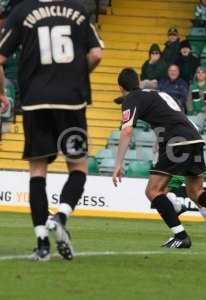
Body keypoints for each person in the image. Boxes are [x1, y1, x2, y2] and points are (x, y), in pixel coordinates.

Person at [0, 0, 103, 261]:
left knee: (37, 171)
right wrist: (78, 76)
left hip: (35, 101)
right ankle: (61, 216)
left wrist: (2, 93)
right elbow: (96, 55)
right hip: (71, 100)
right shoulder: (78, 9)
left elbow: (0, 57)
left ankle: (42, 243)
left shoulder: (22, 11)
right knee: (78, 167)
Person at [112, 69, 206, 250]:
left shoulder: (131, 98)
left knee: (153, 191)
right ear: (139, 81)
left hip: (176, 141)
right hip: (194, 137)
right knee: (195, 191)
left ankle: (181, 235)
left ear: (120, 87)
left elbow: (126, 130)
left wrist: (118, 164)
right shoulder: (158, 93)